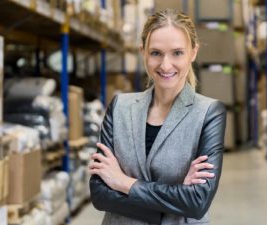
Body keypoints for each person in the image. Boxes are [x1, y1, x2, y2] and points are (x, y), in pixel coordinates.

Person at [89, 9, 226, 225]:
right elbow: (99, 194)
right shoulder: (119, 108)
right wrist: (175, 200)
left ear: (193, 53)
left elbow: (197, 202)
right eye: (156, 53)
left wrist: (123, 182)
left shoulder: (209, 113)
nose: (165, 65)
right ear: (143, 52)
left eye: (177, 53)